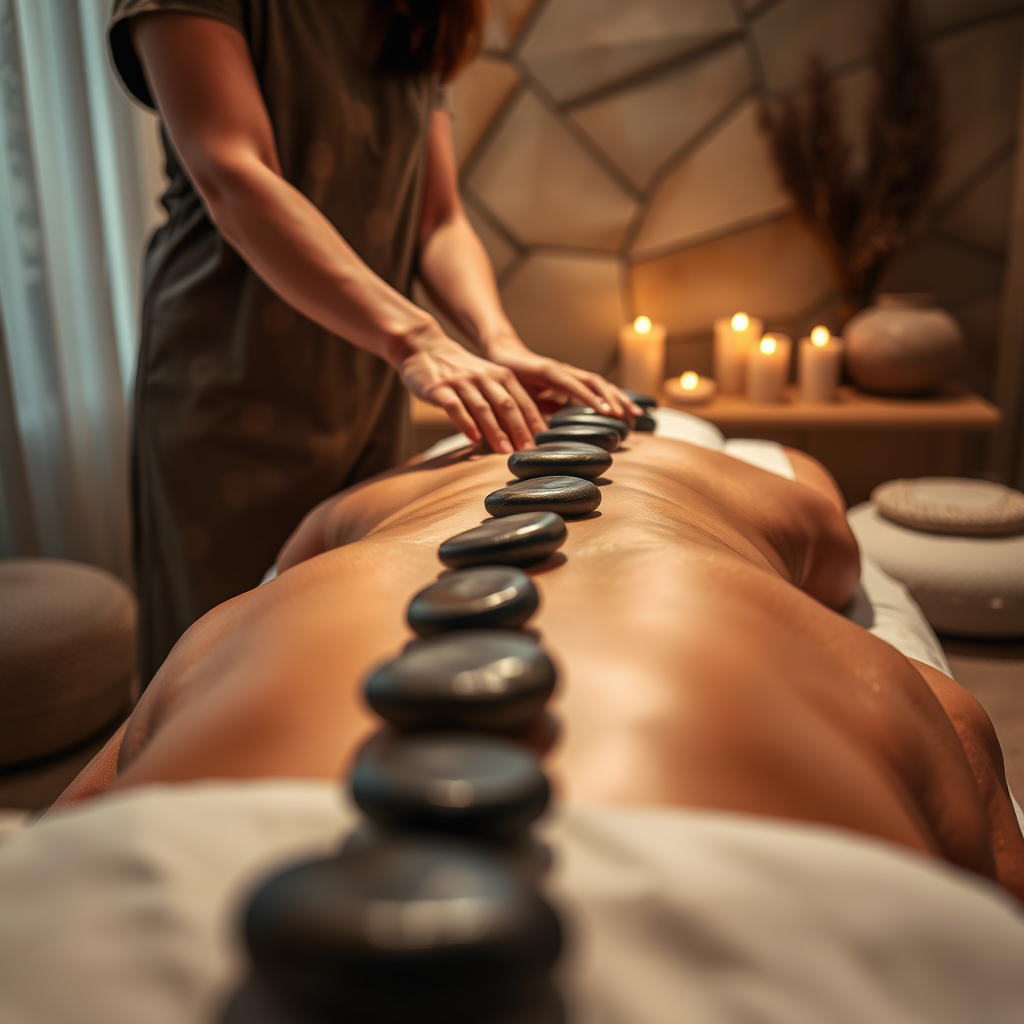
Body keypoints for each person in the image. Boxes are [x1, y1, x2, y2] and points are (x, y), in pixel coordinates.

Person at [6, 433, 1024, 1022]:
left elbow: (65, 835)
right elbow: (839, 563)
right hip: (792, 897)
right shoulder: (732, 473)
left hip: (182, 873)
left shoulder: (381, 501)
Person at [108, 0, 637, 683]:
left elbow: (438, 219)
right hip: (231, 382)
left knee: (358, 652)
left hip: (366, 380)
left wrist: (497, 340)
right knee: (224, 672)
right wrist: (417, 337)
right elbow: (234, 173)